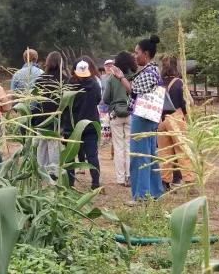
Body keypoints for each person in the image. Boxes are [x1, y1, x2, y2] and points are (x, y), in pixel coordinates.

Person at [112, 35, 163, 204]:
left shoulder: (148, 72)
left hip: (142, 117)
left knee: (139, 156)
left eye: (137, 52)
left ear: (146, 54)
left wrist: (121, 77)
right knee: (150, 155)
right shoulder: (154, 70)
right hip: (151, 117)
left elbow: (134, 91)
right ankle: (154, 192)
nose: (135, 56)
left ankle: (141, 195)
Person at [62, 60, 102, 189]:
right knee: (92, 156)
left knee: (70, 156)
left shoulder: (69, 87)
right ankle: (95, 183)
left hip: (72, 127)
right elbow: (97, 100)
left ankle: (70, 183)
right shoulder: (95, 85)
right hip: (90, 125)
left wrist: (63, 127)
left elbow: (64, 107)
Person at [157, 55, 195, 190]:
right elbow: (189, 102)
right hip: (176, 118)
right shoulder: (179, 82)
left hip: (161, 120)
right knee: (182, 151)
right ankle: (189, 181)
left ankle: (164, 182)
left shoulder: (158, 83)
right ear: (175, 66)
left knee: (164, 152)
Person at [103, 52, 136, 187]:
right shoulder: (134, 76)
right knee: (129, 145)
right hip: (130, 113)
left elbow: (106, 98)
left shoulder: (112, 78)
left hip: (116, 114)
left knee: (118, 147)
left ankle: (120, 178)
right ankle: (129, 176)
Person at [34, 51, 66, 180]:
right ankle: (54, 172)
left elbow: (35, 99)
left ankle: (41, 169)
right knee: (54, 146)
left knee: (42, 145)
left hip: (42, 118)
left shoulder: (41, 79)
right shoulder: (64, 79)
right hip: (57, 119)